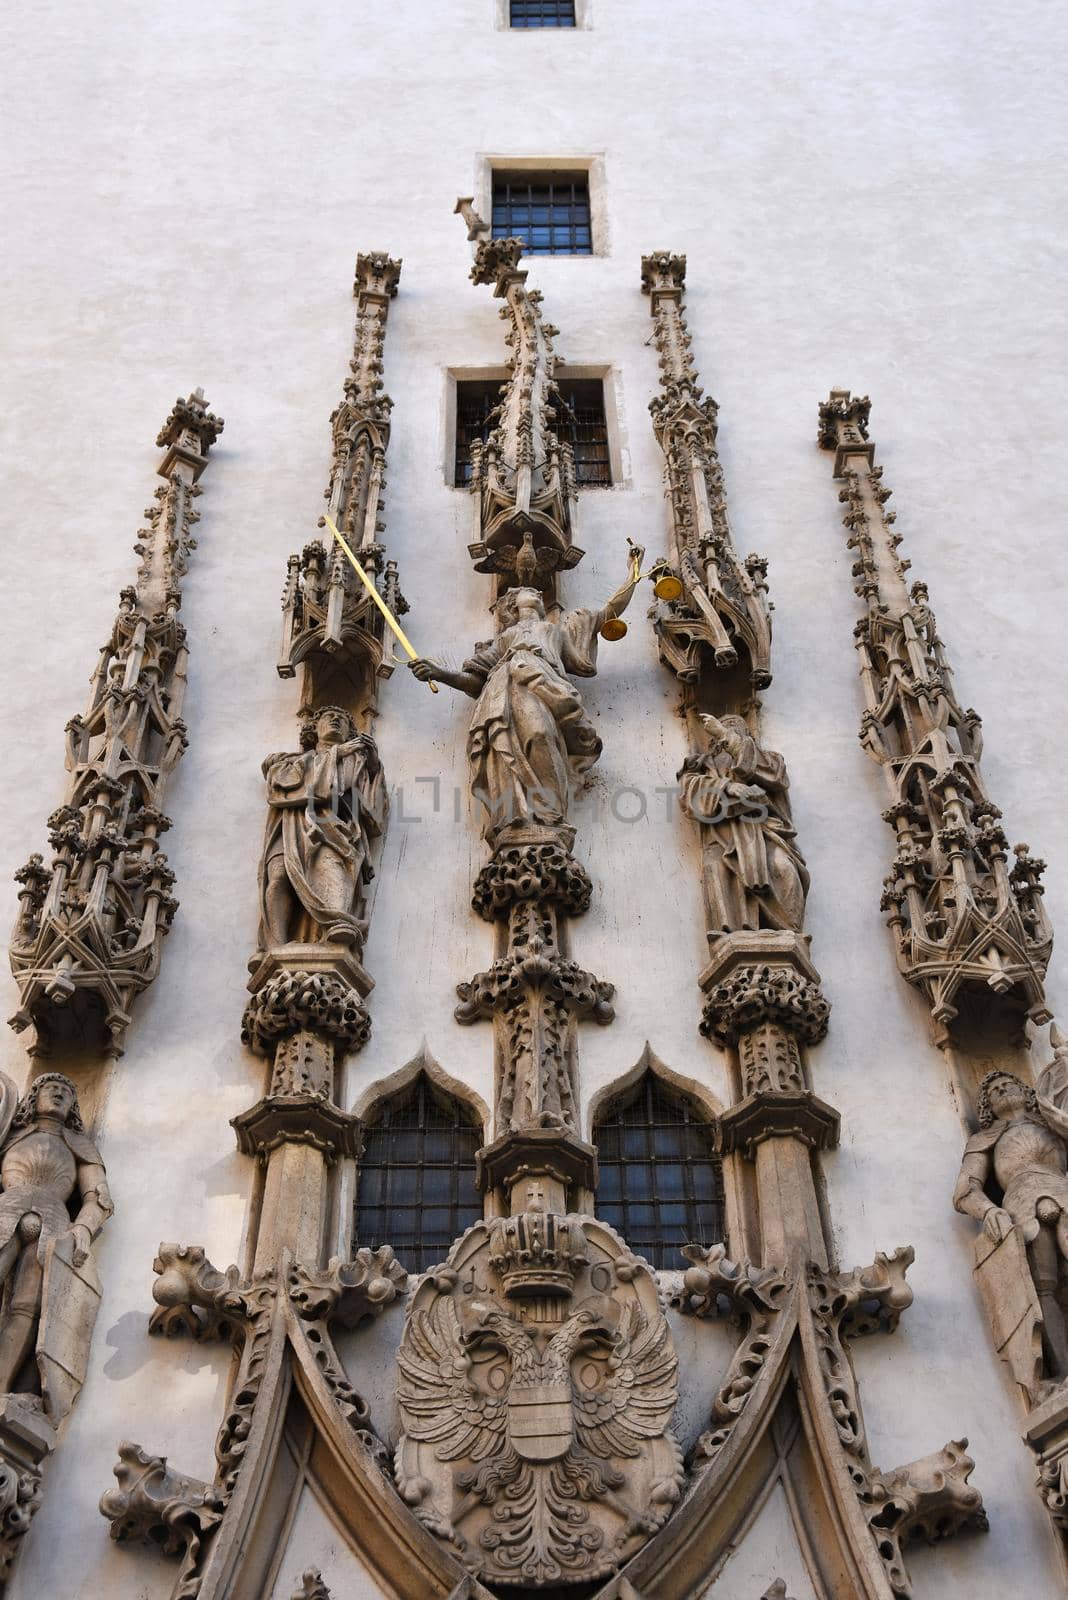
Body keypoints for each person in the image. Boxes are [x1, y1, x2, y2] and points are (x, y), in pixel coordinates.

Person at [408, 551, 643, 844]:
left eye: (536, 593)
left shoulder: (557, 630)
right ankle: (515, 818)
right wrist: (440, 673)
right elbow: (474, 682)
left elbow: (608, 613)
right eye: (526, 592)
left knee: (541, 734)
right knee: (506, 746)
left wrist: (633, 572)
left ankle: (551, 817)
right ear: (512, 605)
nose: (535, 592)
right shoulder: (505, 639)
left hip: (546, 686)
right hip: (505, 688)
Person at [0, 1072, 112, 1396]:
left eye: (66, 1091)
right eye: (52, 1088)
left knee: (28, 1306)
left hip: (53, 1220)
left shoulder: (79, 1145)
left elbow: (98, 1197)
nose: (59, 1094)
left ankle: (5, 1386)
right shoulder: (12, 1135)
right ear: (34, 1097)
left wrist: (83, 1228)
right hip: (9, 1207)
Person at [954, 1068, 1068, 1376]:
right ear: (987, 1107)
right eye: (995, 1091)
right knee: (1044, 1284)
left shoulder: (1051, 1122)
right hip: (1021, 1203)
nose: (1003, 1091)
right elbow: (965, 1190)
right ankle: (1063, 1371)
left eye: (1009, 1084)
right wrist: (990, 1212)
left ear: (1026, 1091)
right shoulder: (985, 1139)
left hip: (1062, 1189)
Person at [258, 705, 382, 952]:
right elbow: (282, 786)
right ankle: (276, 946)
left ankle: (337, 928)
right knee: (280, 875)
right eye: (328, 716)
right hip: (291, 827)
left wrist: (374, 765)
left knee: (333, 873)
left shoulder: (355, 764)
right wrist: (336, 755)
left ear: (350, 732)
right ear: (313, 729)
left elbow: (373, 813)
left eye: (342, 719)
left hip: (332, 829)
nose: (335, 719)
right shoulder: (292, 761)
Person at [678, 712, 808, 935]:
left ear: (748, 737)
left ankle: (789, 932)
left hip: (765, 832)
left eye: (736, 729)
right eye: (721, 730)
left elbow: (773, 777)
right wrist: (726, 786)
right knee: (716, 866)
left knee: (783, 867)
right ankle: (732, 935)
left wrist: (724, 734)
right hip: (725, 836)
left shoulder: (769, 760)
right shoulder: (703, 766)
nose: (727, 733)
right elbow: (691, 793)